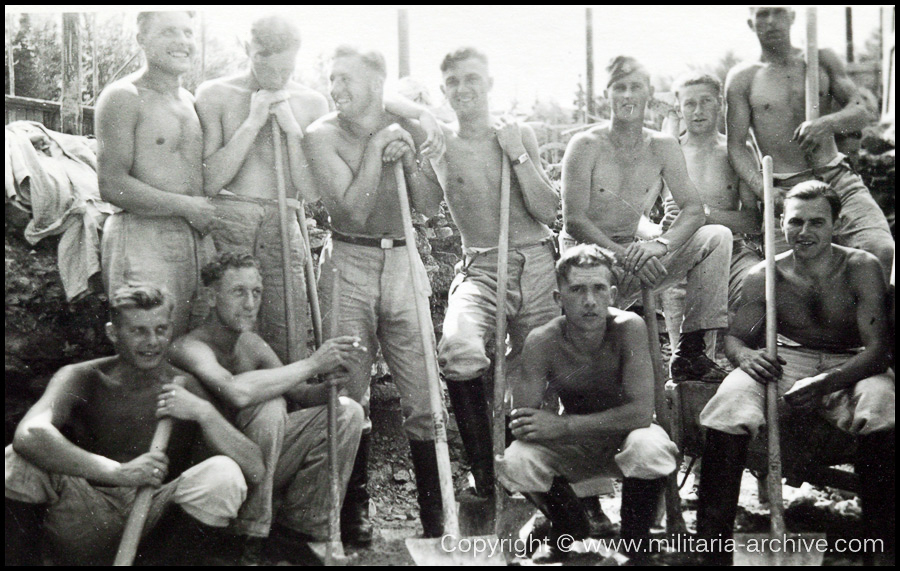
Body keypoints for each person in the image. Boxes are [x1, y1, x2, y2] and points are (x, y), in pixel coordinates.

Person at [195, 15, 445, 365]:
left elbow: (310, 192)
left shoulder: (310, 102)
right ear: (248, 48)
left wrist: (291, 129)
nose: (275, 75)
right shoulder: (215, 94)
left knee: (287, 338)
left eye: (285, 67)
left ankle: (287, 417)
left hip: (284, 220)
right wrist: (253, 122)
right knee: (224, 334)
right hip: (230, 220)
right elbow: (209, 181)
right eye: (263, 59)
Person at [697, 182, 895, 565]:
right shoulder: (765, 274)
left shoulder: (861, 267)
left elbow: (876, 352)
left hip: (852, 363)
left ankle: (881, 547)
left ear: (836, 224)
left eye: (817, 222)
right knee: (728, 402)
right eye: (795, 222)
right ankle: (712, 549)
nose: (805, 232)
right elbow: (735, 339)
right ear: (782, 224)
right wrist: (746, 358)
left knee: (883, 404)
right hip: (787, 359)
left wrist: (825, 383)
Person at [5, 284, 261, 566]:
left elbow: (255, 468)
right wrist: (119, 472)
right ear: (113, 333)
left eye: (161, 329)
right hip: (86, 517)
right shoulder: (84, 377)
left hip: (151, 525)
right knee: (16, 461)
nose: (152, 341)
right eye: (138, 330)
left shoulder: (185, 386)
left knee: (224, 475)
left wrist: (204, 412)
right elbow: (28, 434)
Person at [303, 46, 447, 539]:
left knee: (425, 392)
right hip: (349, 261)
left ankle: (436, 519)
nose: (336, 88)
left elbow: (428, 205)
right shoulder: (321, 135)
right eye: (331, 79)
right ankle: (353, 515)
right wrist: (378, 146)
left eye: (345, 78)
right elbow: (351, 213)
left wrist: (408, 160)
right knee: (348, 392)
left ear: (378, 79)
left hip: (404, 259)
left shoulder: (409, 126)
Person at [168, 251, 365, 560]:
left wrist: (333, 380)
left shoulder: (252, 344)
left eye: (256, 292)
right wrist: (313, 362)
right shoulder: (190, 346)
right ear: (210, 296)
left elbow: (302, 393)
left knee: (348, 412)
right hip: (215, 470)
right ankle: (248, 535)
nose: (250, 303)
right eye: (238, 292)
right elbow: (236, 393)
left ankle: (297, 532)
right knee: (270, 404)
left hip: (261, 462)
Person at [497, 244, 679, 563]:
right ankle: (569, 525)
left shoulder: (629, 328)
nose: (590, 301)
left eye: (598, 289)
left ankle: (634, 543)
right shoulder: (542, 339)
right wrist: (530, 403)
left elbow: (640, 413)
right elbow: (521, 420)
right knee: (517, 460)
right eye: (577, 290)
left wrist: (562, 424)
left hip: (622, 440)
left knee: (651, 445)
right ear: (559, 299)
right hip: (572, 447)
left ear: (612, 294)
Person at [432, 47, 558, 498]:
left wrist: (518, 154)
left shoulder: (516, 132)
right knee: (460, 348)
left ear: (489, 83)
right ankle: (485, 476)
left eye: (472, 79)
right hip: (482, 267)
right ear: (442, 90)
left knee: (543, 374)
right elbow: (425, 205)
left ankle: (562, 494)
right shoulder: (438, 141)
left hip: (537, 263)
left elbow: (548, 209)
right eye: (453, 82)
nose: (463, 89)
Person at [561, 55, 732, 382]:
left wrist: (661, 245)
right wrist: (626, 256)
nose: (627, 95)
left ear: (648, 94)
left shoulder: (663, 146)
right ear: (606, 95)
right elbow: (574, 221)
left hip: (636, 255)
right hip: (587, 260)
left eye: (635, 87)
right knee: (594, 367)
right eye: (619, 88)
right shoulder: (585, 145)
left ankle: (690, 349)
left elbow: (693, 209)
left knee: (717, 236)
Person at [726, 6, 893, 278]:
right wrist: (764, 190)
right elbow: (736, 147)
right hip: (786, 191)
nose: (770, 22)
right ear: (750, 23)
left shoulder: (820, 60)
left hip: (836, 178)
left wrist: (826, 123)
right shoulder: (743, 78)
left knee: (879, 250)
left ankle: (869, 319)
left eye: (778, 12)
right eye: (762, 14)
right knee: (789, 282)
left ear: (792, 17)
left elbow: (864, 109)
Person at [97, 11, 217, 339]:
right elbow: (112, 185)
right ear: (141, 40)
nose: (182, 41)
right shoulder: (123, 96)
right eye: (168, 32)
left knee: (193, 347)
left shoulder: (190, 102)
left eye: (188, 33)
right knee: (148, 348)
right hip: (141, 236)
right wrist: (188, 206)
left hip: (194, 240)